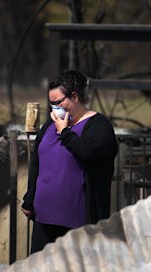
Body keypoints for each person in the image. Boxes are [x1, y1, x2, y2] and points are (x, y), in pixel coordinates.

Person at [21, 69, 118, 254]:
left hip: (77, 219)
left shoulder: (99, 126)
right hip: (45, 215)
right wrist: (30, 198)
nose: (54, 108)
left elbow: (88, 153)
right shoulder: (50, 125)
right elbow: (37, 162)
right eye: (51, 104)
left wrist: (65, 133)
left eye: (58, 102)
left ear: (74, 97)